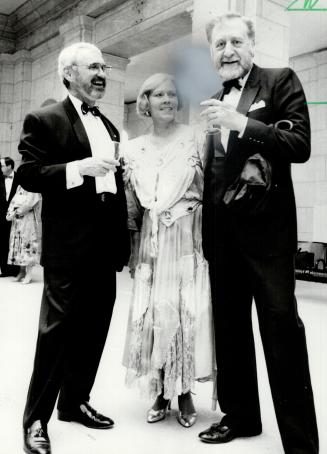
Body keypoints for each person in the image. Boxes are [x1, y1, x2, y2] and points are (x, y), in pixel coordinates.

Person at [198, 13, 319, 454]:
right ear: (211, 53)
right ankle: (241, 416)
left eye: (235, 42)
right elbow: (216, 175)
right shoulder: (213, 99)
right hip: (223, 242)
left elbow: (300, 146)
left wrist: (242, 124)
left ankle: (301, 443)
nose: (227, 51)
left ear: (252, 46)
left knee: (282, 335)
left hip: (268, 241)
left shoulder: (279, 81)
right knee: (230, 334)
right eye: (219, 45)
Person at [17, 42, 130, 454]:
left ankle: (75, 402)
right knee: (56, 333)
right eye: (93, 67)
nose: (102, 74)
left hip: (105, 246)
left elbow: (113, 187)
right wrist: (76, 169)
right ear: (69, 74)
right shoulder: (44, 118)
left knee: (95, 328)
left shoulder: (110, 126)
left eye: (104, 67)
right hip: (68, 248)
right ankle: (36, 421)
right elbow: (29, 174)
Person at [122, 73, 215, 428]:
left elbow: (210, 187)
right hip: (152, 240)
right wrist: (133, 249)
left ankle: (186, 390)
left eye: (172, 94)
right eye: (158, 94)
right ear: (144, 101)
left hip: (188, 236)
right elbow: (131, 204)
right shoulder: (134, 148)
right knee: (155, 313)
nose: (166, 100)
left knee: (185, 309)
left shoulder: (195, 138)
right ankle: (161, 390)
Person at [6, 185, 42, 284]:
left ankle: (29, 273)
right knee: (18, 246)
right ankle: (21, 272)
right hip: (17, 222)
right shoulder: (20, 187)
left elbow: (29, 204)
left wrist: (16, 211)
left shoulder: (33, 188)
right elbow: (13, 201)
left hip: (28, 220)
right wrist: (10, 212)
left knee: (28, 245)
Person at [0, 157, 20, 277]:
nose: (0, 168)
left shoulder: (20, 178)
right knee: (2, 242)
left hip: (16, 216)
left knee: (15, 242)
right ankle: (4, 270)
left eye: (1, 165)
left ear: (9, 166)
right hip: (1, 217)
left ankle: (15, 270)